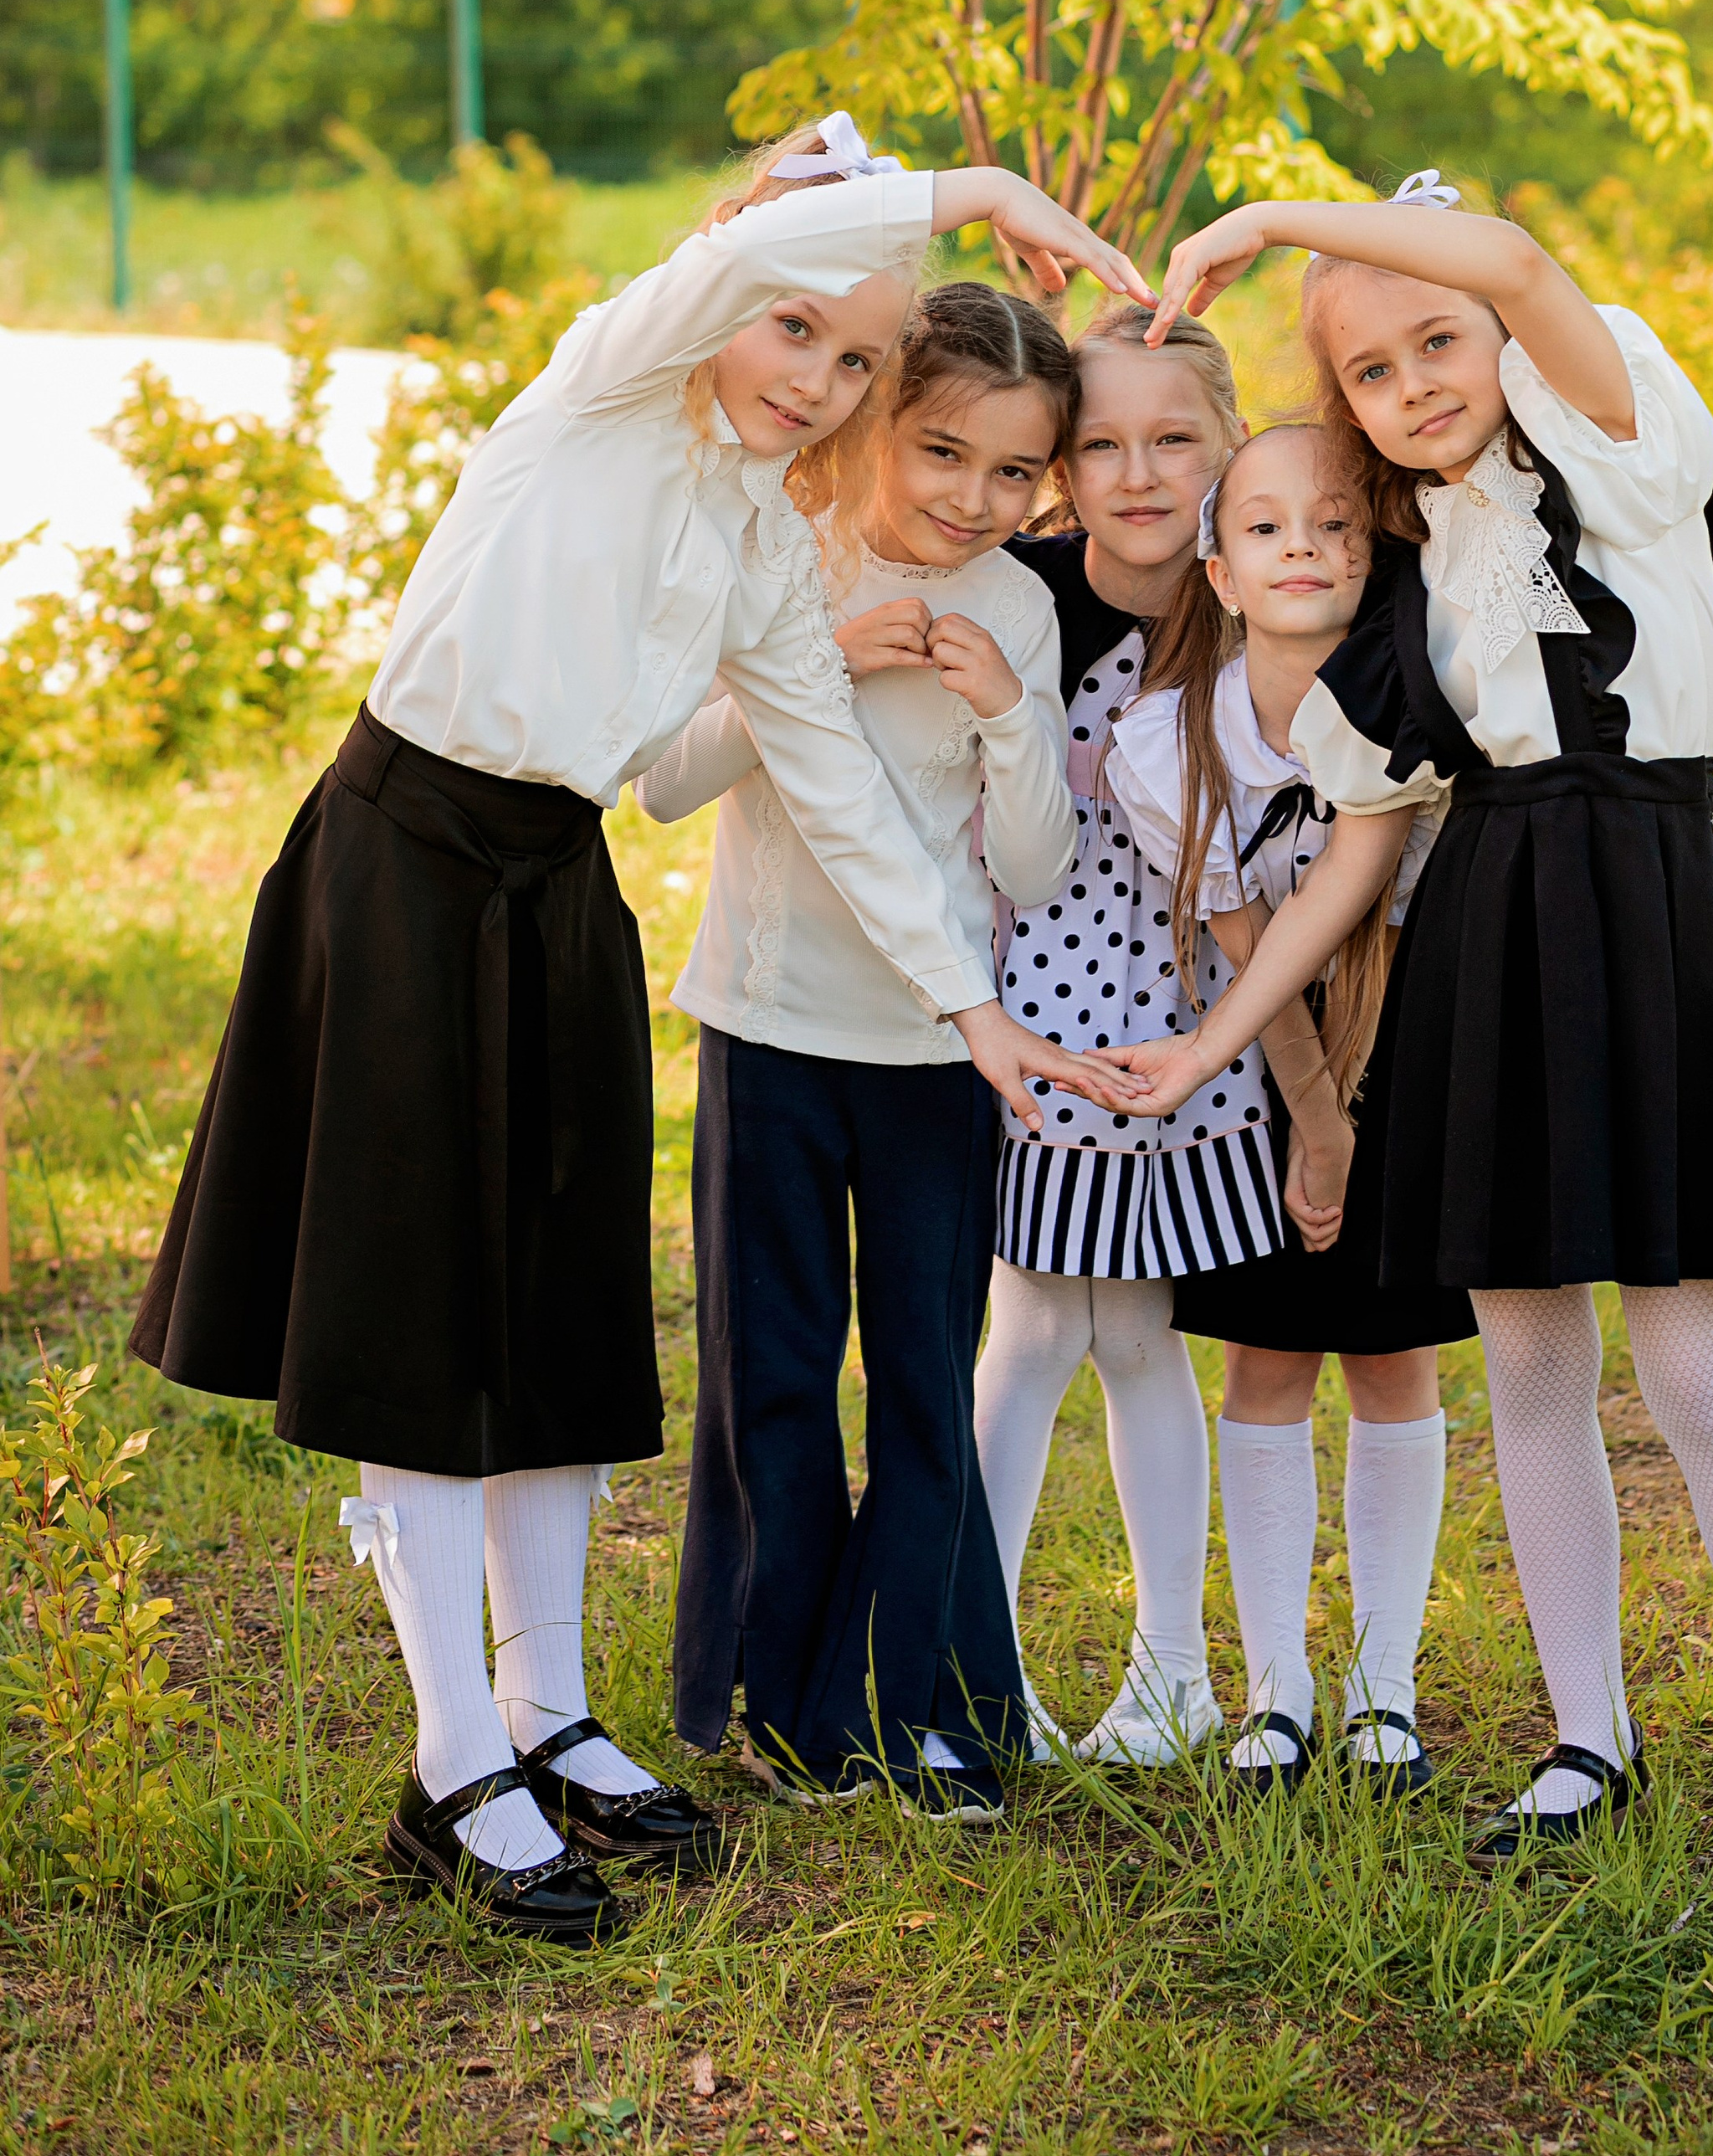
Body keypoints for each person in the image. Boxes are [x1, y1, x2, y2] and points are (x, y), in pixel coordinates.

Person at [128, 122, 1141, 1937]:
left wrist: (972, 1010)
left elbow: (830, 779)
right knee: (429, 1338)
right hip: (405, 868)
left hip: (556, 897)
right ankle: (455, 1768)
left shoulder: (766, 538)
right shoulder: (602, 387)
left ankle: (552, 1714)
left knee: (560, 1327)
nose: (811, 378)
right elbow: (756, 259)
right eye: (792, 332)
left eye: (850, 357)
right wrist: (971, 201)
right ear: (725, 288)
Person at [1100, 174, 1713, 1898]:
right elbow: (1361, 843)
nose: (1413, 382)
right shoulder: (1420, 562)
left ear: (1503, 327)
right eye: (1366, 370)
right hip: (1492, 927)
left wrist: (1277, 220)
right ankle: (1582, 1731)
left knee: (1686, 1361)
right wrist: (1220, 1036)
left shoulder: (1618, 437)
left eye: (1433, 339)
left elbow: (1518, 261)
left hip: (1649, 897)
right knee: (1524, 1359)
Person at [637, 283, 1081, 1820]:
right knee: (769, 1370)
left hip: (934, 1064)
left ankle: (911, 1700)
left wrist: (1012, 716)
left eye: (1016, 475)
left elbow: (1029, 865)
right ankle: (772, 1691)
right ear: (877, 415)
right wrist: (810, 665)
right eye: (944, 451)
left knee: (918, 1384)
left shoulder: (1019, 607)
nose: (975, 500)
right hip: (766, 1034)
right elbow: (664, 783)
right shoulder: (780, 555)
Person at [1107, 423, 1470, 1797]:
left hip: (1415, 1055)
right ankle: (1276, 1689)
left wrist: (1358, 1124)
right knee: (1264, 1364)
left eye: (1334, 521)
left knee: (1394, 1362)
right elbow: (1253, 935)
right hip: (1262, 1068)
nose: (1304, 544)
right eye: (1265, 527)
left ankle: (1384, 1686)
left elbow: (1373, 917)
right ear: (1218, 565)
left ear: (1376, 555)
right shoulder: (1174, 741)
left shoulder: (1420, 703)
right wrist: (1313, 1121)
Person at [970, 306, 1247, 1763]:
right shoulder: (1021, 592)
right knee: (1025, 1327)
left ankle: (1173, 1674)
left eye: (1175, 438)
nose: (1138, 473)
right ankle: (981, 1663)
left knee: (1141, 1334)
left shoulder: (1258, 591)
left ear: (1229, 445)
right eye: (1102, 444)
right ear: (1063, 463)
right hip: (1038, 1014)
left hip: (1195, 1030)